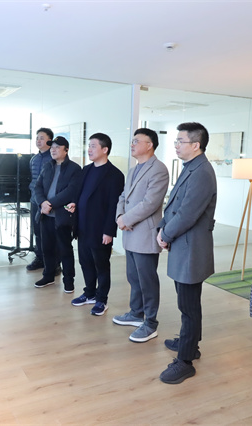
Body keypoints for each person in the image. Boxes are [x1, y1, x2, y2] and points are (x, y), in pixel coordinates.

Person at [156, 122, 217, 384]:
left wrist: (165, 234)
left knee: (189, 306)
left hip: (191, 248)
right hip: (183, 244)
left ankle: (185, 361)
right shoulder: (191, 167)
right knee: (186, 302)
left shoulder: (202, 172)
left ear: (196, 145)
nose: (176, 145)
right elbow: (173, 205)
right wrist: (163, 228)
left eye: (180, 141)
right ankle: (189, 343)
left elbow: (187, 214)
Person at [113, 128, 169, 342]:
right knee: (133, 277)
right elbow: (123, 196)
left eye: (137, 141)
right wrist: (120, 216)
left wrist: (126, 220)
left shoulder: (159, 169)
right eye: (132, 141)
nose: (132, 144)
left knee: (147, 281)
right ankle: (136, 313)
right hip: (130, 232)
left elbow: (150, 203)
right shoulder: (133, 169)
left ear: (150, 145)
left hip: (144, 233)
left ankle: (151, 322)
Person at [66, 133, 125, 316]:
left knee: (101, 266)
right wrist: (74, 203)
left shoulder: (114, 175)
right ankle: (89, 293)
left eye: (93, 146)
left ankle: (101, 299)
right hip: (82, 226)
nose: (89, 150)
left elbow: (114, 205)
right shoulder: (86, 170)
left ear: (105, 149)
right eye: (89, 146)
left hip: (100, 229)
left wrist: (109, 231)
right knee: (85, 262)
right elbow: (80, 194)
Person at [33, 136, 82, 292]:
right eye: (52, 147)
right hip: (45, 215)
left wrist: (51, 204)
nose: (53, 150)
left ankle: (69, 281)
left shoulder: (74, 168)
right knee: (46, 248)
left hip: (62, 216)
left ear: (66, 150)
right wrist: (42, 203)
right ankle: (48, 276)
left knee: (64, 249)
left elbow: (71, 191)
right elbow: (37, 187)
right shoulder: (47, 166)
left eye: (57, 147)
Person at [26, 127, 53, 271]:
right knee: (37, 231)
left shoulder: (53, 158)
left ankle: (54, 263)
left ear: (50, 140)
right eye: (37, 138)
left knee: (50, 233)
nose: (38, 140)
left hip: (49, 202)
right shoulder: (34, 159)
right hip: (34, 201)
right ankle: (40, 258)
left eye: (42, 138)